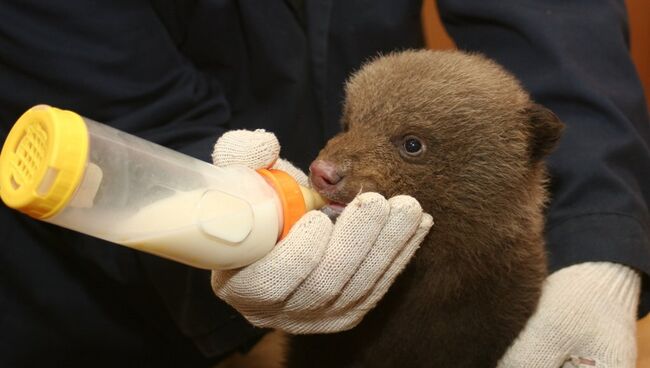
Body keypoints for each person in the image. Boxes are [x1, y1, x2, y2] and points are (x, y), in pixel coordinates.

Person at [0, 1, 647, 367]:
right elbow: (132, 113)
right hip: (98, 305)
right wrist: (233, 216)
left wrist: (599, 246)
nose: (328, 161)